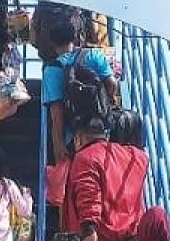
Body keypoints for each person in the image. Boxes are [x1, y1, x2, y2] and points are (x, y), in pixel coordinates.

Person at [63, 123, 148, 241]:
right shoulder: (137, 157)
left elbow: (88, 196)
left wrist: (89, 230)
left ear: (78, 139)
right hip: (132, 238)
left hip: (101, 240)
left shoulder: (84, 157)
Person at [41, 21, 118, 163]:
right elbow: (112, 83)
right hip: (102, 129)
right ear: (75, 37)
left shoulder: (51, 69)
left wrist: (58, 143)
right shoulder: (94, 55)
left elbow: (56, 111)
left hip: (74, 136)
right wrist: (107, 102)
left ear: (52, 43)